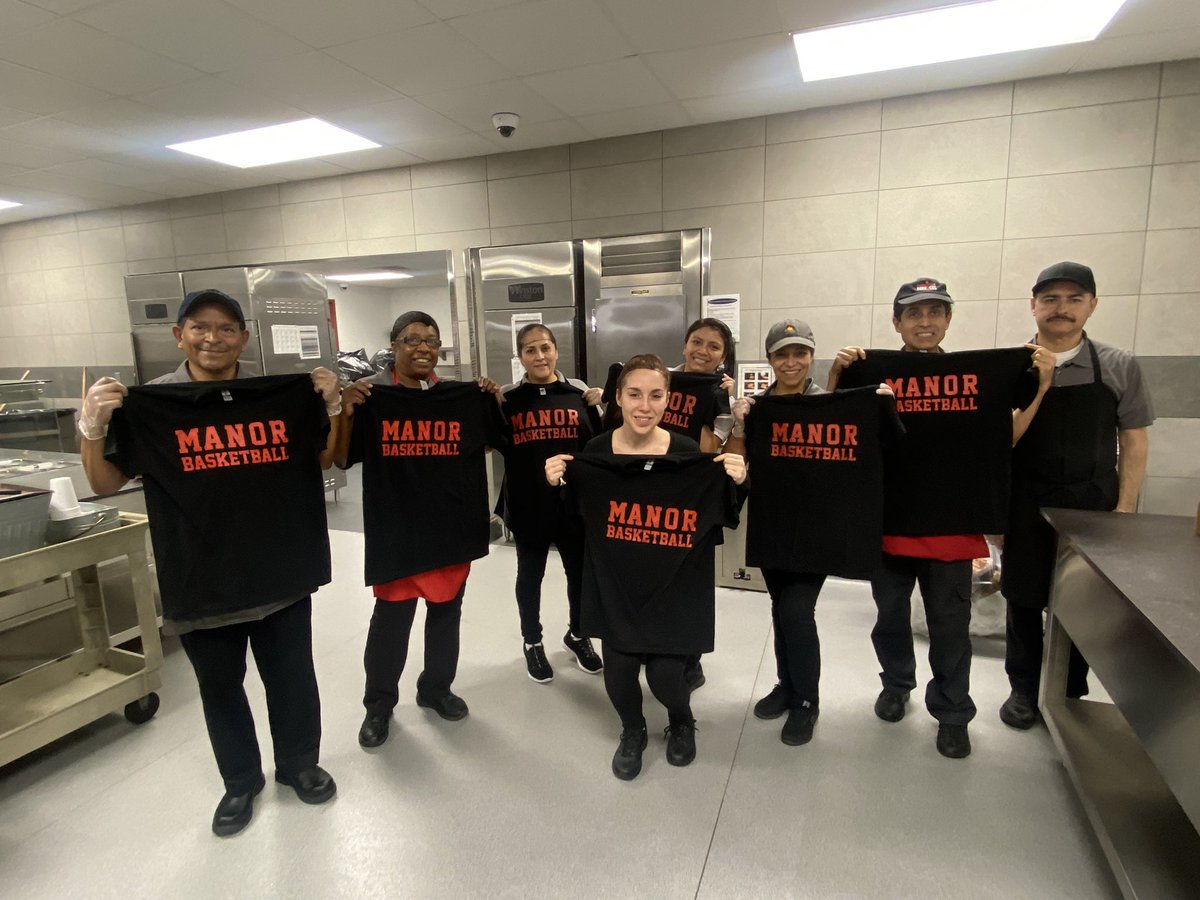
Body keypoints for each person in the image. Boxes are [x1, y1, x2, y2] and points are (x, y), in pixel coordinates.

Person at [79, 288, 341, 837]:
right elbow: (105, 482)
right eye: (200, 327)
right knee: (221, 686)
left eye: (226, 329)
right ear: (179, 336)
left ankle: (299, 764)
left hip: (279, 569)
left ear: (244, 338)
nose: (213, 338)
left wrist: (331, 406)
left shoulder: (275, 395)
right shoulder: (151, 406)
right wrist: (93, 430)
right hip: (201, 576)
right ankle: (240, 781)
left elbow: (320, 460)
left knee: (292, 678)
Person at [828, 278, 1037, 759]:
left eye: (935, 312)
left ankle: (952, 712)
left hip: (950, 524)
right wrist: (841, 375)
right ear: (896, 322)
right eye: (914, 314)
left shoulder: (976, 375)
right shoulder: (873, 372)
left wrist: (1040, 378)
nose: (925, 322)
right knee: (891, 618)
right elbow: (842, 421)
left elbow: (1009, 425)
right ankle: (897, 683)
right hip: (888, 520)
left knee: (949, 627)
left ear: (948, 319)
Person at [545, 355, 747, 780]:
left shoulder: (687, 452)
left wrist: (737, 480)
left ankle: (681, 719)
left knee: (667, 679)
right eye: (634, 394)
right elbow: (575, 518)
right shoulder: (596, 452)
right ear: (617, 397)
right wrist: (558, 481)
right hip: (615, 584)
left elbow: (718, 518)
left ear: (668, 400)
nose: (644, 405)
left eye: (656, 396)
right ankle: (633, 730)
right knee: (618, 674)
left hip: (672, 587)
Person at [335, 311, 503, 749]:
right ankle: (379, 705)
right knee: (391, 623)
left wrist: (489, 398)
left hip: (450, 526)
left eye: (432, 340)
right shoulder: (373, 396)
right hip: (398, 530)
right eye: (412, 339)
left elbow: (488, 441)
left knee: (446, 616)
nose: (424, 347)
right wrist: (347, 410)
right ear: (393, 346)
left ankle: (436, 689)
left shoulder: (457, 397)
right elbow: (340, 459)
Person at [999, 261, 1154, 729]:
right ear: (1033, 306)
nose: (1060, 309)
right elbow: (999, 440)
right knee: (1023, 600)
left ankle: (1068, 691)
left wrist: (1124, 510)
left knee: (1081, 604)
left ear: (1092, 305)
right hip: (1024, 502)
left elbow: (1134, 440)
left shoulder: (1119, 366)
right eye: (1050, 299)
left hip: (1092, 504)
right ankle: (1024, 690)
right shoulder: (1012, 367)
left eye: (1073, 299)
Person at [498, 323, 604, 683]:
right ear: (521, 356)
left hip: (573, 504)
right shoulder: (507, 400)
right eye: (530, 350)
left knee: (579, 573)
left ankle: (577, 634)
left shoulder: (579, 394)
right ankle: (532, 641)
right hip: (529, 505)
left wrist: (603, 402)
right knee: (530, 574)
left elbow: (602, 446)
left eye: (545, 348)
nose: (539, 356)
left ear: (557, 351)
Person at [671, 317, 737, 692]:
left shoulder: (720, 393)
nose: (703, 351)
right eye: (697, 342)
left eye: (714, 346)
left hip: (697, 496)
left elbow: (719, 445)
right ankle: (660, 648)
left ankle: (692, 660)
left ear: (723, 356)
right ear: (684, 345)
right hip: (656, 490)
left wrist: (724, 400)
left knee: (694, 580)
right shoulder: (660, 379)